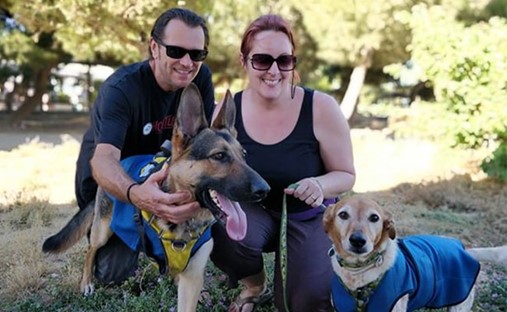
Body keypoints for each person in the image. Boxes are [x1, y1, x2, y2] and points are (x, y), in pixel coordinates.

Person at [210, 14, 355, 312]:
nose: (274, 70)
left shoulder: (321, 107)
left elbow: (346, 174)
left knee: (303, 303)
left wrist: (319, 184)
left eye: (284, 60)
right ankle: (254, 283)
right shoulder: (225, 111)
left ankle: (300, 275)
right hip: (252, 213)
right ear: (244, 60)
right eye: (262, 60)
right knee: (219, 228)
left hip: (307, 216)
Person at [74, 7, 215, 284]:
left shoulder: (201, 78)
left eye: (197, 54)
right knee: (111, 277)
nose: (188, 63)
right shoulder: (121, 89)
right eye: (176, 51)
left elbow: (200, 146)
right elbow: (103, 161)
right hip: (113, 185)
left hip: (160, 177)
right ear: (154, 47)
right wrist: (138, 195)